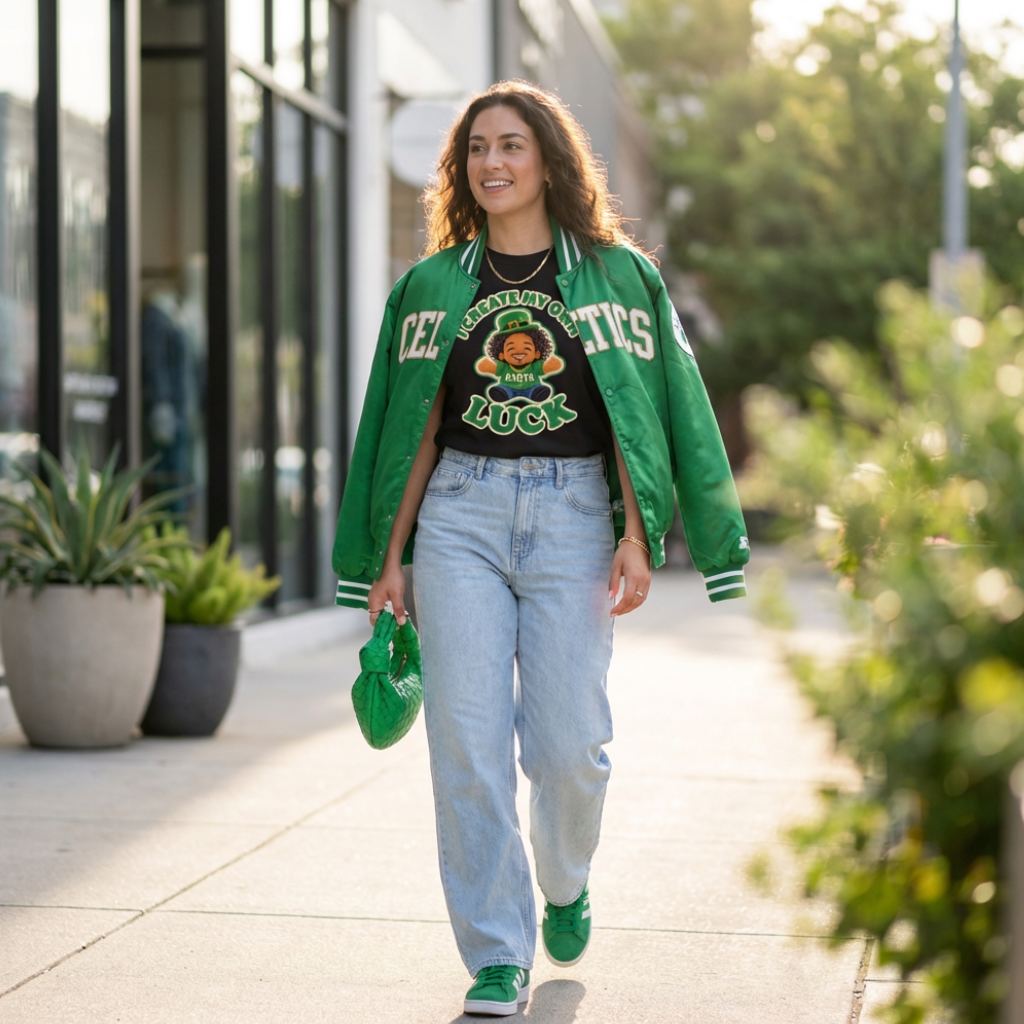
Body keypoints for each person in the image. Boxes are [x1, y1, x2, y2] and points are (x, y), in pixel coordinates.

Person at [332, 81, 749, 1017]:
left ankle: (565, 881)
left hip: (573, 518)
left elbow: (642, 410)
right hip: (459, 517)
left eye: (512, 145)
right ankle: (496, 953)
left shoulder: (618, 275)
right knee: (466, 746)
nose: (493, 163)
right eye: (477, 148)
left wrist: (638, 533)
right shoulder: (431, 286)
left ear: (550, 161)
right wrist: (387, 559)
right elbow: (410, 426)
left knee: (570, 749)